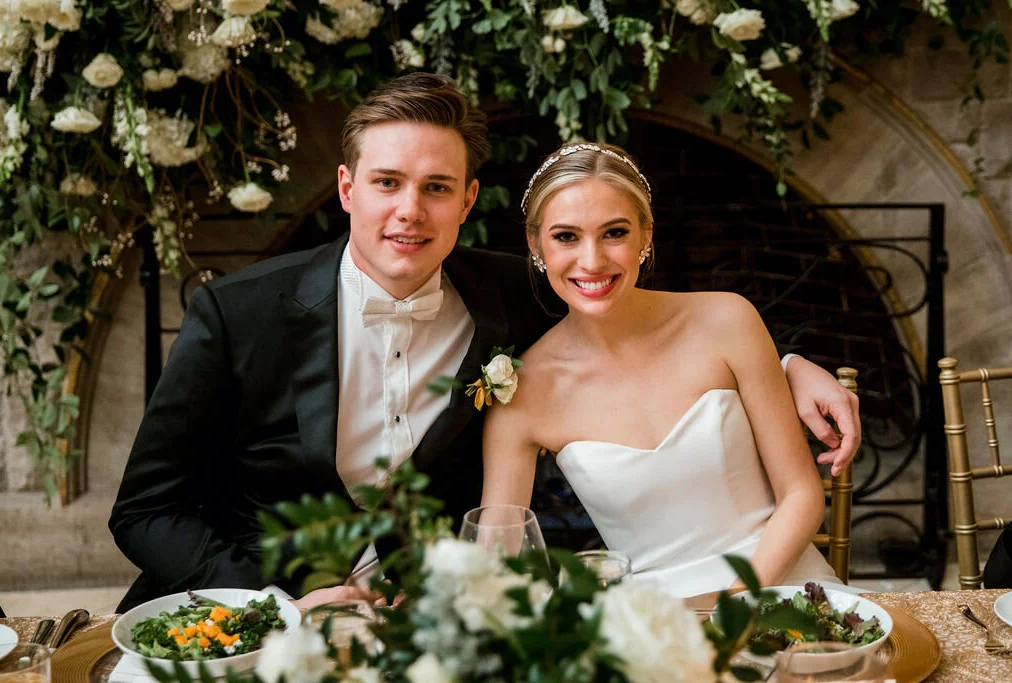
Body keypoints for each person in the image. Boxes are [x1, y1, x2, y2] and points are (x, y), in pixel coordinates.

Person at [110, 74, 858, 612]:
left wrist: (785, 363)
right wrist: (282, 595)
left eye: (437, 187)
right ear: (346, 188)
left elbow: (620, 312)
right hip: (257, 607)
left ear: (469, 199)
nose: (410, 211)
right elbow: (144, 510)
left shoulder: (510, 298)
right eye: (387, 183)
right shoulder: (235, 315)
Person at [481, 141, 842, 603]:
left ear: (646, 234)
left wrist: (734, 609)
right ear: (536, 244)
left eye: (614, 233)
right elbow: (499, 554)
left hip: (782, 588)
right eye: (566, 237)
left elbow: (802, 496)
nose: (591, 261)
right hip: (653, 625)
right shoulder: (521, 390)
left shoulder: (727, 320)